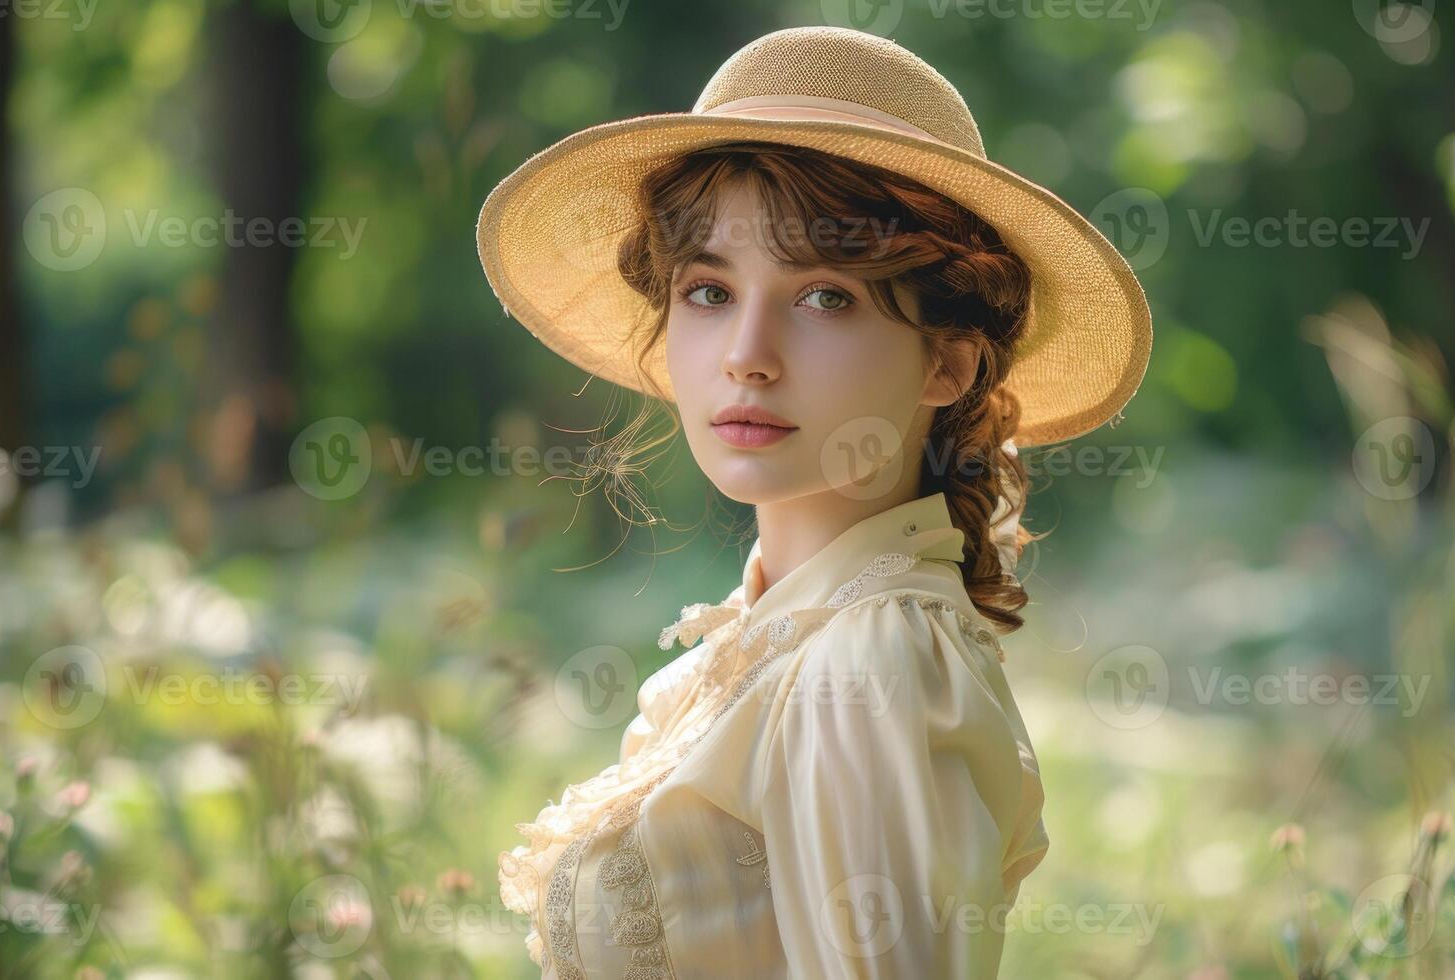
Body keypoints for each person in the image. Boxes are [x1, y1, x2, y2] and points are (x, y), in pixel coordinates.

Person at [476, 24, 1151, 978]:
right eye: (708, 290)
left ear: (947, 360)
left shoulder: (873, 659)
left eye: (826, 296)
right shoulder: (763, 643)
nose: (748, 351)